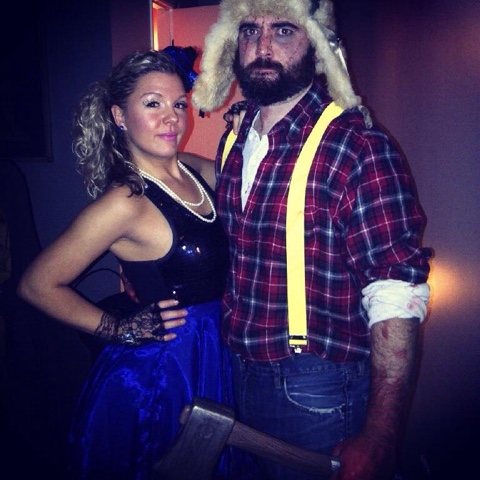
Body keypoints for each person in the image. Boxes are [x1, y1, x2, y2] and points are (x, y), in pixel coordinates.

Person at [190, 1, 433, 479]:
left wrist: (380, 434)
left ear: (315, 43)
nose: (262, 46)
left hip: (316, 388)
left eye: (283, 30)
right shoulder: (235, 138)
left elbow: (395, 290)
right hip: (233, 369)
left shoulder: (357, 144)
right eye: (249, 30)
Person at [17, 49, 239, 479]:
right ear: (119, 116)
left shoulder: (195, 170)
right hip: (167, 370)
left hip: (222, 349)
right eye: (153, 103)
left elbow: (255, 181)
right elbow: (37, 284)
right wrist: (118, 330)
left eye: (179, 104)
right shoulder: (124, 203)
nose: (171, 117)